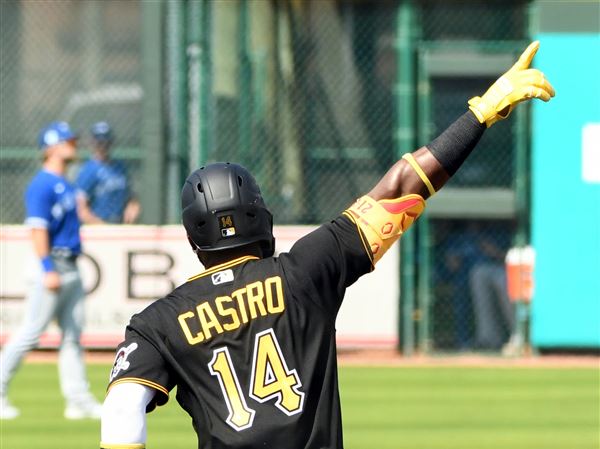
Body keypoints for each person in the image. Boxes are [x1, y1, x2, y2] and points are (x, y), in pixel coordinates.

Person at [100, 41, 554, 449]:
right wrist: (481, 112)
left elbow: (122, 413)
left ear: (194, 234)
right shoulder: (305, 271)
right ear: (260, 217)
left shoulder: (157, 323)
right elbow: (402, 186)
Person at [0, 122, 102, 420]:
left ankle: (78, 400)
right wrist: (47, 268)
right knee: (30, 333)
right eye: (68, 141)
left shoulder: (67, 183)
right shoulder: (42, 184)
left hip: (70, 264)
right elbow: (38, 230)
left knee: (72, 336)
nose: (74, 145)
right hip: (51, 265)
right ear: (52, 147)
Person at [75, 121, 141, 224]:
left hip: (120, 224)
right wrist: (101, 226)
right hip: (98, 226)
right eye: (99, 142)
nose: (103, 146)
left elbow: (131, 197)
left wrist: (132, 207)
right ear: (92, 143)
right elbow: (81, 209)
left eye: (106, 142)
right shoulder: (88, 170)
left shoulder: (120, 167)